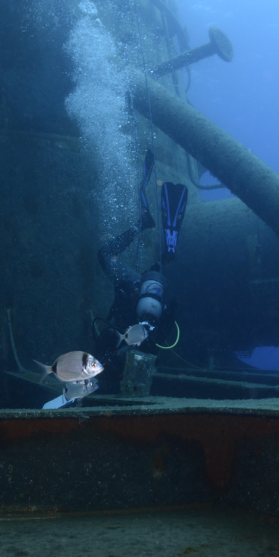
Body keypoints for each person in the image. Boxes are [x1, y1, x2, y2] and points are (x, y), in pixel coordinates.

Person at [93, 150, 187, 393]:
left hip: (145, 287)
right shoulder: (128, 342)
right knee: (106, 255)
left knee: (115, 260)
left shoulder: (148, 341)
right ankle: (142, 228)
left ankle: (162, 253)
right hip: (138, 288)